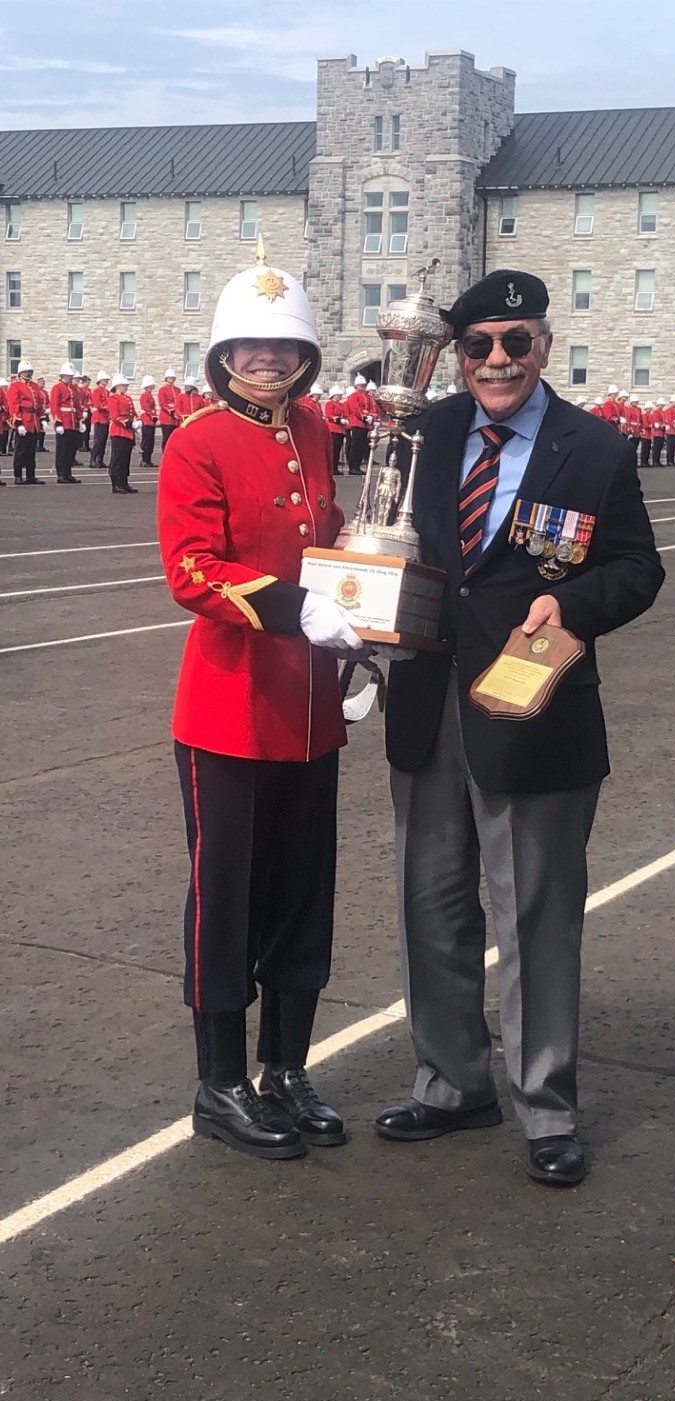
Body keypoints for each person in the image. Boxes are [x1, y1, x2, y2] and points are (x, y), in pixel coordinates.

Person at [377, 270, 664, 1186]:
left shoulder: (597, 447)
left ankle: (547, 1107)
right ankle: (452, 1081)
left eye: (515, 342)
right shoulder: (428, 430)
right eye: (478, 346)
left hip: (535, 711)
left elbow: (636, 568)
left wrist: (573, 607)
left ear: (545, 345)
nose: (497, 361)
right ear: (457, 356)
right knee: (433, 905)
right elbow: (391, 536)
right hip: (430, 700)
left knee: (536, 915)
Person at [157, 252, 365, 1162]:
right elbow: (191, 568)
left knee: (300, 899)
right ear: (223, 353)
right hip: (229, 710)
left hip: (312, 707)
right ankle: (220, 1084)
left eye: (284, 347)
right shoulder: (195, 440)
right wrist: (293, 603)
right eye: (252, 345)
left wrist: (359, 583)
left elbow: (324, 533)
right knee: (228, 899)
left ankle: (286, 1068)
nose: (269, 360)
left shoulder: (316, 428)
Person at [6, 362, 44, 485]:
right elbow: (14, 404)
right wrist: (18, 422)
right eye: (25, 372)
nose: (27, 373)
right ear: (20, 373)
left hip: (33, 421)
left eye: (29, 371)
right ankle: (18, 475)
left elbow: (38, 403)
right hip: (23, 419)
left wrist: (42, 418)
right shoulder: (15, 386)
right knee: (20, 450)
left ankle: (30, 475)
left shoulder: (34, 385)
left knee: (31, 451)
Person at [106, 376, 139, 494]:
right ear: (117, 386)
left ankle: (124, 482)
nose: (126, 387)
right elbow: (115, 416)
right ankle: (116, 483)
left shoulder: (128, 398)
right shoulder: (113, 398)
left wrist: (136, 419)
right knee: (117, 458)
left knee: (126, 458)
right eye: (124, 385)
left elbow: (132, 412)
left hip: (128, 432)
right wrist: (129, 423)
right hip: (119, 431)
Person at [50, 362, 79, 484]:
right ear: (62, 375)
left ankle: (68, 473)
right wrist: (58, 422)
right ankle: (61, 474)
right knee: (62, 449)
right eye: (67, 375)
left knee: (71, 449)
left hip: (72, 421)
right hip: (64, 420)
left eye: (70, 375)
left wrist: (79, 419)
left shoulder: (73, 388)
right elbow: (54, 405)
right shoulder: (57, 387)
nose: (69, 377)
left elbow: (77, 405)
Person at [343, 372, 372, 473]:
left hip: (364, 423)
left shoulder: (367, 396)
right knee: (355, 446)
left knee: (362, 446)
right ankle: (353, 467)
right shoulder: (353, 396)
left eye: (363, 385)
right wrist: (364, 417)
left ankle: (357, 465)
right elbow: (355, 409)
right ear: (356, 385)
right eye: (360, 385)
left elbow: (371, 408)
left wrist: (371, 417)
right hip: (357, 422)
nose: (362, 386)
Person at [324, 384, 347, 473]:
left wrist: (345, 420)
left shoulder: (341, 405)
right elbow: (329, 415)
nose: (340, 396)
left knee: (337, 450)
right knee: (334, 450)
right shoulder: (329, 404)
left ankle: (335, 467)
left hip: (340, 429)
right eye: (338, 395)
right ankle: (332, 468)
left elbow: (345, 414)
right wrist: (339, 419)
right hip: (333, 428)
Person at [158, 368, 180, 451]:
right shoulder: (162, 390)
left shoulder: (177, 390)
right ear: (166, 378)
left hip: (176, 418)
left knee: (174, 438)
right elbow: (162, 403)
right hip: (166, 418)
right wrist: (171, 410)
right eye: (169, 377)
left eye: (173, 378)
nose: (171, 379)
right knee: (166, 438)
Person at [138, 376, 158, 464]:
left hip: (150, 420)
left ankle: (148, 459)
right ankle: (145, 459)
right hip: (147, 419)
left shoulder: (149, 395)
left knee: (150, 440)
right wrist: (152, 415)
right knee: (146, 440)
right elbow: (146, 408)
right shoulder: (144, 396)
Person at [664, 394, 675, 466]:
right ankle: (669, 461)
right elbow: (668, 419)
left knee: (673, 446)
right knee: (670, 447)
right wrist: (674, 425)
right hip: (671, 430)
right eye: (674, 402)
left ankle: (672, 460)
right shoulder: (668, 410)